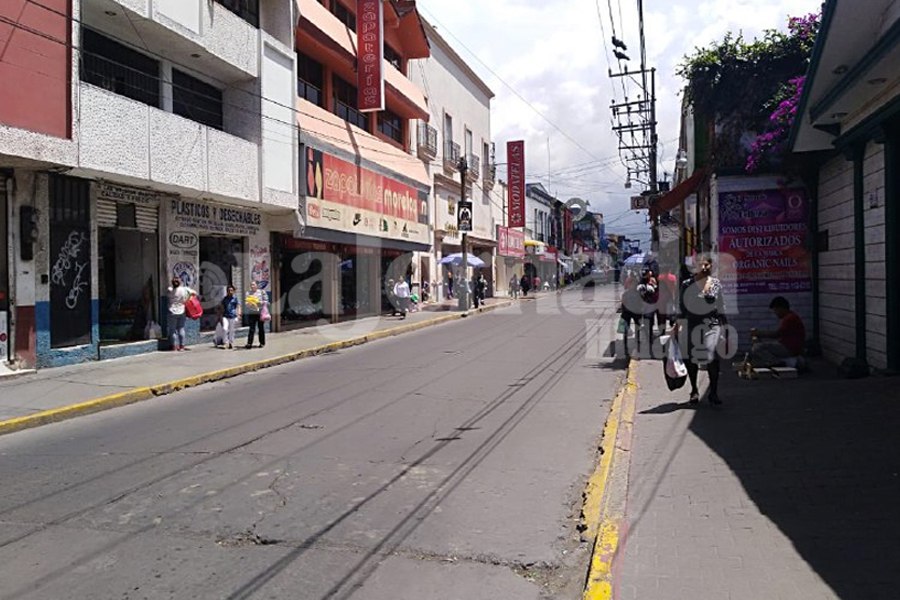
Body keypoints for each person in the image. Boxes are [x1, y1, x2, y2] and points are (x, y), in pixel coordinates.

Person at [672, 255, 726, 405]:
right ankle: (694, 389)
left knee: (711, 356)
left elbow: (721, 307)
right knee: (691, 358)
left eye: (708, 265)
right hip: (692, 324)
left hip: (712, 325)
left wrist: (725, 328)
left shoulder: (715, 284)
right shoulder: (686, 284)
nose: (705, 268)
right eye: (702, 265)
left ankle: (713, 392)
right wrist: (676, 326)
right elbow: (681, 307)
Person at [749, 296, 806, 368]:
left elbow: (776, 334)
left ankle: (777, 363)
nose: (775, 313)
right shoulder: (791, 316)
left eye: (776, 310)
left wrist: (759, 333)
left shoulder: (789, 318)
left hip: (789, 348)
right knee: (763, 346)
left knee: (757, 348)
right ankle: (786, 361)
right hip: (790, 346)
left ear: (781, 308)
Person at [167, 277, 196, 351]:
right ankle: (182, 346)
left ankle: (173, 346)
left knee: (172, 330)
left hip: (172, 311)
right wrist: (187, 299)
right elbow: (194, 293)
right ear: (180, 282)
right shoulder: (184, 289)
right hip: (182, 310)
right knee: (181, 328)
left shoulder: (170, 290)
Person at [244, 281, 268, 349]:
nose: (252, 286)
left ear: (257, 285)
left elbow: (266, 301)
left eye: (253, 285)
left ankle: (262, 343)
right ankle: (249, 343)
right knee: (251, 328)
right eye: (251, 285)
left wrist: (259, 302)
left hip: (260, 312)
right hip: (252, 312)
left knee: (261, 328)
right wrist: (249, 304)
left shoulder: (261, 292)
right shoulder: (248, 293)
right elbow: (246, 302)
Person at [656, 268, 678, 335]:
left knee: (662, 317)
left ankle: (662, 332)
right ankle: (673, 329)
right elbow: (675, 287)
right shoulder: (673, 277)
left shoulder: (660, 277)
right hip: (671, 298)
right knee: (672, 315)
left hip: (661, 299)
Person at [221, 284, 241, 350]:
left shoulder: (235, 298)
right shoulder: (225, 299)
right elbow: (222, 307)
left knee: (232, 330)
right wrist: (220, 315)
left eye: (231, 290)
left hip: (232, 316)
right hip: (225, 316)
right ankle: (225, 343)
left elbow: (238, 306)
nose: (230, 291)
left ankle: (231, 343)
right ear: (227, 291)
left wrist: (239, 314)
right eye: (229, 290)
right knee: (225, 329)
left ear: (233, 291)